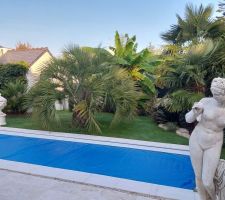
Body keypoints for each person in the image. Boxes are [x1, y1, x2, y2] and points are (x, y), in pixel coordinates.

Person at [186, 77, 225, 200]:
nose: (216, 96)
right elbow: (188, 119)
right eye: (214, 93)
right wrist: (195, 112)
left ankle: (213, 198)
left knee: (207, 181)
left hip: (214, 143)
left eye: (219, 94)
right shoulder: (205, 101)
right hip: (197, 139)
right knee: (198, 176)